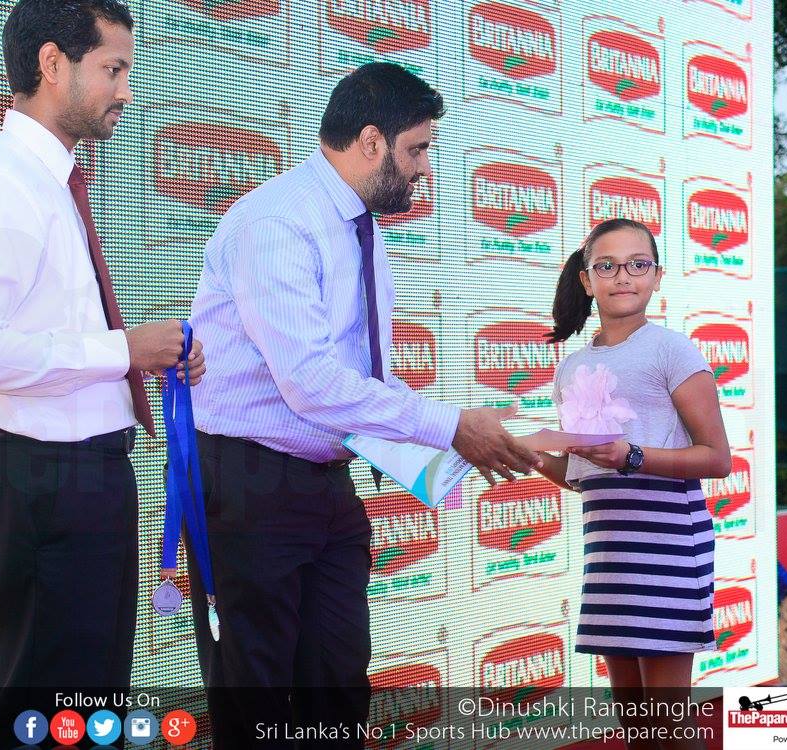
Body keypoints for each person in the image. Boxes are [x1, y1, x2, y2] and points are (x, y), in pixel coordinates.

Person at [185, 62, 542, 748]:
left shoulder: (358, 226)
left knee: (339, 686)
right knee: (256, 696)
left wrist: (444, 439)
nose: (425, 169)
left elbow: (357, 376)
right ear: (372, 141)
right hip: (248, 485)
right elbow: (311, 382)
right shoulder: (278, 222)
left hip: (323, 483)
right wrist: (449, 426)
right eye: (417, 149)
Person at [0, 2, 205, 747]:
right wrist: (122, 351)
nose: (125, 91)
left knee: (83, 717)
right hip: (43, 485)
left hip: (85, 482)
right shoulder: (1, 183)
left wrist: (148, 354)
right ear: (53, 64)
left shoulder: (51, 182)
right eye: (113, 69)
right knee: (42, 720)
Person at [537, 218, 730, 749]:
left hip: (668, 545)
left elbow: (717, 458)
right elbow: (582, 477)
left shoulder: (672, 350)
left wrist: (632, 455)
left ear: (657, 276)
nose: (623, 276)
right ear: (586, 279)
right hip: (609, 556)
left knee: (669, 725)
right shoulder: (572, 366)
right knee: (635, 725)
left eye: (637, 264)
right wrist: (528, 454)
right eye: (607, 266)